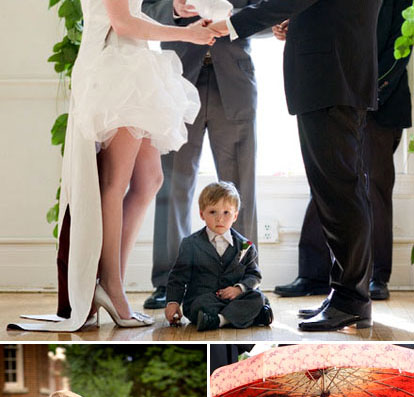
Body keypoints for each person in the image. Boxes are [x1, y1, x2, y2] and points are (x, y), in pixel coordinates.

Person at [8, 0, 212, 333]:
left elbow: (128, 15)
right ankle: (113, 288)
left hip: (131, 61)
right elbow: (121, 23)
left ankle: (106, 281)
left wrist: (178, 13)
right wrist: (185, 35)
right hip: (114, 65)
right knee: (115, 182)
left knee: (149, 180)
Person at [208, 0, 382, 332]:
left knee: (340, 194)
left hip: (332, 77)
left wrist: (230, 24)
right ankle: (348, 295)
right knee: (338, 192)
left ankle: (352, 301)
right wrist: (299, 21)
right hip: (335, 73)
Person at [274, 0, 413, 306]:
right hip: (335, 90)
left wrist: (368, 93)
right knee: (326, 186)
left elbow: (401, 47)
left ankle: (374, 277)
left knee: (371, 189)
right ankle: (313, 274)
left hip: (376, 98)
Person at [141, 0, 258, 313]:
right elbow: (144, 7)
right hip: (178, 78)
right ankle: (168, 284)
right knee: (172, 186)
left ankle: (245, 281)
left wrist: (232, 16)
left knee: (238, 190)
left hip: (234, 77)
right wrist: (176, 10)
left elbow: (267, 10)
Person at [165, 181, 272, 331]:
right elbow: (178, 277)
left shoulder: (245, 245)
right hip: (205, 299)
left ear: (235, 215)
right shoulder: (190, 244)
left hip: (235, 299)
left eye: (226, 213)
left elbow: (254, 275)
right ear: (202, 214)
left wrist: (239, 289)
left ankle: (219, 320)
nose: (219, 219)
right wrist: (173, 302)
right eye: (213, 212)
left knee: (257, 298)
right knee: (198, 305)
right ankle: (250, 317)